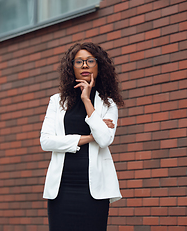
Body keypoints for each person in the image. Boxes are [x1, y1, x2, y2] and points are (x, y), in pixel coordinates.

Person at [40, 42, 124, 231]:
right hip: (62, 189)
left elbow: (104, 139)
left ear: (99, 65)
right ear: (72, 68)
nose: (84, 65)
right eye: (79, 62)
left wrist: (87, 100)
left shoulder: (108, 104)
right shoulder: (57, 101)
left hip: (94, 191)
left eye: (89, 61)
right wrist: (88, 137)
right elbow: (46, 141)